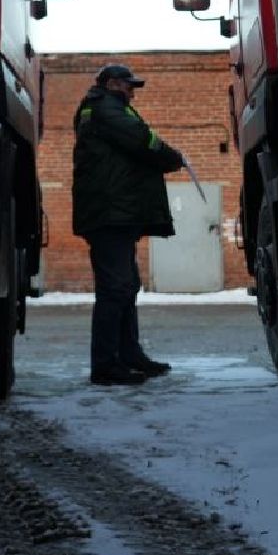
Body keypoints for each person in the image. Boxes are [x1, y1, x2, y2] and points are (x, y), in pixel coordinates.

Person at [72, 63, 185, 385]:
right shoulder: (104, 107)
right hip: (109, 213)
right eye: (128, 85)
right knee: (115, 288)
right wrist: (173, 156)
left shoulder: (103, 107)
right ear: (111, 83)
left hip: (115, 213)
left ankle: (129, 355)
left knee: (126, 285)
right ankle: (106, 365)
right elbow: (140, 140)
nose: (132, 92)